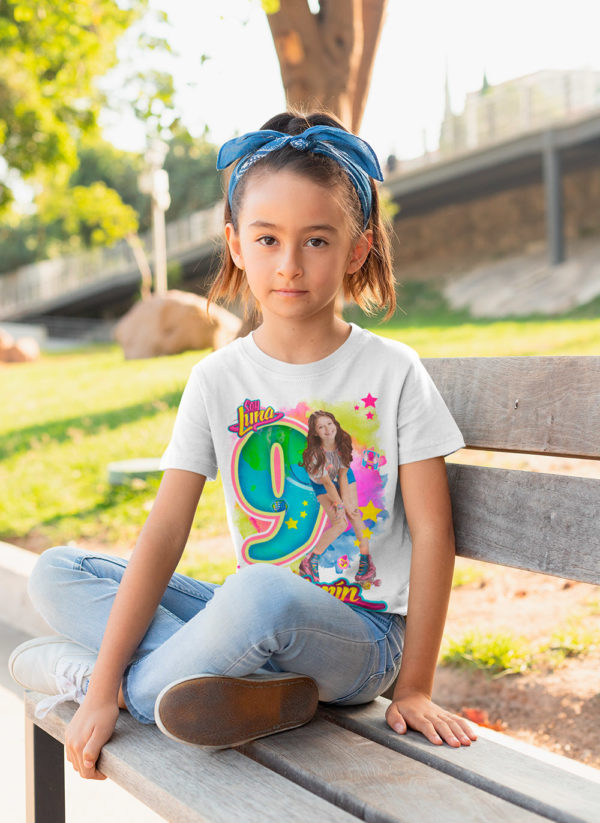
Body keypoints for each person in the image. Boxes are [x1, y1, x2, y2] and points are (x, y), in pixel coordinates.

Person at [9, 108, 476, 781]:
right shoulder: (218, 377)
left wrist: (416, 686)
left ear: (357, 248)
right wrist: (110, 671)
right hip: (257, 625)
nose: (289, 265)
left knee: (259, 591)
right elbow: (166, 529)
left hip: (363, 640)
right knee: (58, 571)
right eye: (267, 239)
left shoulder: (392, 371)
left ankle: (100, 680)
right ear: (235, 243)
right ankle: (226, 687)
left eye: (316, 241)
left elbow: (435, 532)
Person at [300, 410, 377, 585]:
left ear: (335, 424)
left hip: (342, 477)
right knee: (340, 523)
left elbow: (343, 475)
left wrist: (347, 504)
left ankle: (366, 562)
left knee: (354, 513)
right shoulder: (315, 456)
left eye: (329, 424)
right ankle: (310, 561)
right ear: (315, 433)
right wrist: (339, 505)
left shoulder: (343, 442)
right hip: (323, 484)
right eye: (321, 427)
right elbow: (327, 484)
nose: (327, 429)